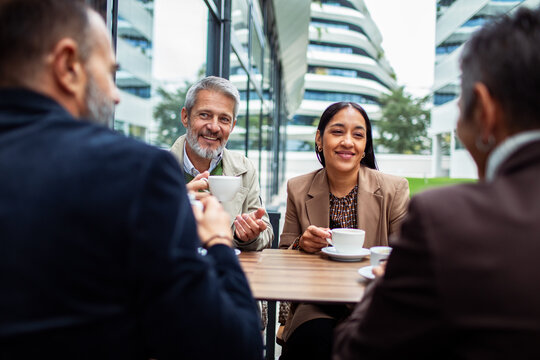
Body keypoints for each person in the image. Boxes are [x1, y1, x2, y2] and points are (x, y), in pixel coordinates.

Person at [0, 1, 263, 358]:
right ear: (67, 66)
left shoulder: (237, 167)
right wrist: (218, 238)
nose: (115, 94)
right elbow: (234, 345)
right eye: (109, 73)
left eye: (225, 120)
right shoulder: (138, 172)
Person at [333, 6, 540, 359]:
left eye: (461, 98)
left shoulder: (446, 220)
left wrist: (383, 284)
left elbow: (357, 351)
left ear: (485, 111)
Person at [278, 102, 410, 359]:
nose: (347, 142)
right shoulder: (298, 187)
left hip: (372, 301)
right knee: (314, 338)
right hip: (316, 302)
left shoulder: (394, 189)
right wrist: (300, 245)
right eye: (337, 132)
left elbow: (406, 259)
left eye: (358, 135)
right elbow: (283, 257)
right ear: (319, 139)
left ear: (364, 147)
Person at [170, 76, 273, 251]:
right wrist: (176, 204)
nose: (214, 127)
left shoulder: (244, 168)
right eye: (205, 115)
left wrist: (248, 236)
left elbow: (266, 234)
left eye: (224, 119)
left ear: (232, 126)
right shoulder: (152, 168)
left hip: (224, 270)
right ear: (185, 117)